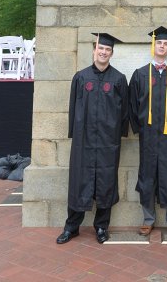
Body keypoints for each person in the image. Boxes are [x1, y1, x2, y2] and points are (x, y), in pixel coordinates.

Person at [56, 32, 128, 245]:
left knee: (106, 183)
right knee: (80, 182)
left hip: (108, 141)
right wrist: (74, 133)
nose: (104, 52)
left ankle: (101, 227)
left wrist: (118, 134)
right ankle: (72, 227)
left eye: (108, 50)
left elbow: (124, 112)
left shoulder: (119, 79)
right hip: (84, 141)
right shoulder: (81, 77)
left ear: (111, 53)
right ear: (94, 50)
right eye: (101, 49)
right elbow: (72, 107)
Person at [129, 26, 167, 236]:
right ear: (153, 46)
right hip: (147, 137)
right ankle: (148, 219)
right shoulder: (140, 75)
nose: (162, 46)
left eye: (166, 44)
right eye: (159, 43)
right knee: (147, 175)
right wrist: (142, 129)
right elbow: (132, 105)